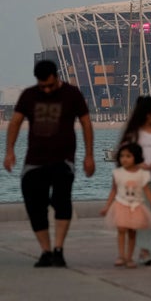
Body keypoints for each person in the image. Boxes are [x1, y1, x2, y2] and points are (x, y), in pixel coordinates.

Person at [3, 60, 95, 267]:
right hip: (34, 160)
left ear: (57, 77)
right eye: (42, 85)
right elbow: (16, 122)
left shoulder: (72, 94)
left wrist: (89, 156)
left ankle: (59, 249)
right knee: (34, 205)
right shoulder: (29, 95)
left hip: (63, 160)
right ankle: (45, 250)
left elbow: (86, 123)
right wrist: (9, 151)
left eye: (50, 86)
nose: (46, 89)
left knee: (62, 201)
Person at [118, 96, 151, 266]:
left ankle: (148, 248)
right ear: (148, 115)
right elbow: (124, 156)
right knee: (141, 217)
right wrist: (139, 165)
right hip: (137, 183)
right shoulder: (134, 135)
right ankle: (143, 250)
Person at [99, 143, 151, 268]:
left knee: (132, 232)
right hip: (121, 204)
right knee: (121, 229)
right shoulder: (117, 173)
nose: (124, 159)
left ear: (136, 157)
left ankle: (129, 257)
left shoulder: (142, 174)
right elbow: (113, 190)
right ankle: (121, 256)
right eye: (122, 156)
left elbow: (146, 190)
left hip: (136, 206)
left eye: (128, 156)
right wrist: (107, 206)